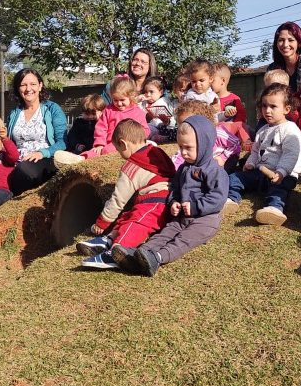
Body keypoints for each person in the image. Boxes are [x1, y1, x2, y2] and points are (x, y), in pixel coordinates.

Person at [112, 115, 229, 277]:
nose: (183, 153)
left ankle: (157, 258)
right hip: (181, 217)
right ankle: (139, 254)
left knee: (183, 240)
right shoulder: (183, 169)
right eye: (181, 147)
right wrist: (173, 201)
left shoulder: (215, 171)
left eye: (188, 148)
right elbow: (175, 187)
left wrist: (196, 206)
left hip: (205, 220)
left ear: (204, 145)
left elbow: (218, 197)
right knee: (165, 234)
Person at [75, 119, 176, 269]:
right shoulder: (156, 151)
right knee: (127, 216)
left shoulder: (131, 166)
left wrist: (101, 223)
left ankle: (117, 252)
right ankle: (108, 240)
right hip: (168, 198)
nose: (121, 155)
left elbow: (118, 200)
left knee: (136, 222)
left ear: (123, 143)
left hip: (156, 201)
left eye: (118, 149)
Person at [223, 84, 301, 226]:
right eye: (264, 106)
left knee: (279, 190)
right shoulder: (263, 130)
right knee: (234, 178)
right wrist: (251, 163)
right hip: (260, 171)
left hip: (282, 174)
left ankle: (274, 209)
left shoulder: (291, 130)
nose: (267, 111)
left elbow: (291, 155)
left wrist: (281, 172)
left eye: (273, 106)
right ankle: (230, 199)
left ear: (286, 109)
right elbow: (255, 151)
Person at [54, 75, 149, 165]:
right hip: (109, 143)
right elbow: (101, 127)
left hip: (128, 145)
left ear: (131, 97)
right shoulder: (109, 110)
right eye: (115, 100)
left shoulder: (137, 112)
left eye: (122, 100)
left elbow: (145, 129)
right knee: (96, 151)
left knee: (107, 151)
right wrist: (99, 143)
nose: (119, 103)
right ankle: (79, 158)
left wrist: (139, 140)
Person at [6, 68, 67, 195]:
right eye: (23, 85)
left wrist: (42, 153)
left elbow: (63, 142)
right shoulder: (14, 113)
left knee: (24, 170)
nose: (28, 89)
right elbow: (9, 142)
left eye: (33, 84)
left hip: (44, 160)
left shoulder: (52, 109)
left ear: (40, 86)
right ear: (18, 89)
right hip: (17, 161)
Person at [171, 99, 252, 172]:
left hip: (223, 162)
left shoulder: (217, 134)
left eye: (189, 124)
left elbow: (235, 144)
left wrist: (222, 158)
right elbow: (178, 157)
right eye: (181, 125)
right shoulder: (188, 142)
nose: (184, 128)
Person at [141, 76, 175, 142]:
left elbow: (168, 119)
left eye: (151, 92)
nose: (148, 94)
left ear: (161, 92)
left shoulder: (163, 102)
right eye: (146, 91)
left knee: (147, 131)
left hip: (158, 127)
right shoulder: (143, 102)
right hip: (146, 125)